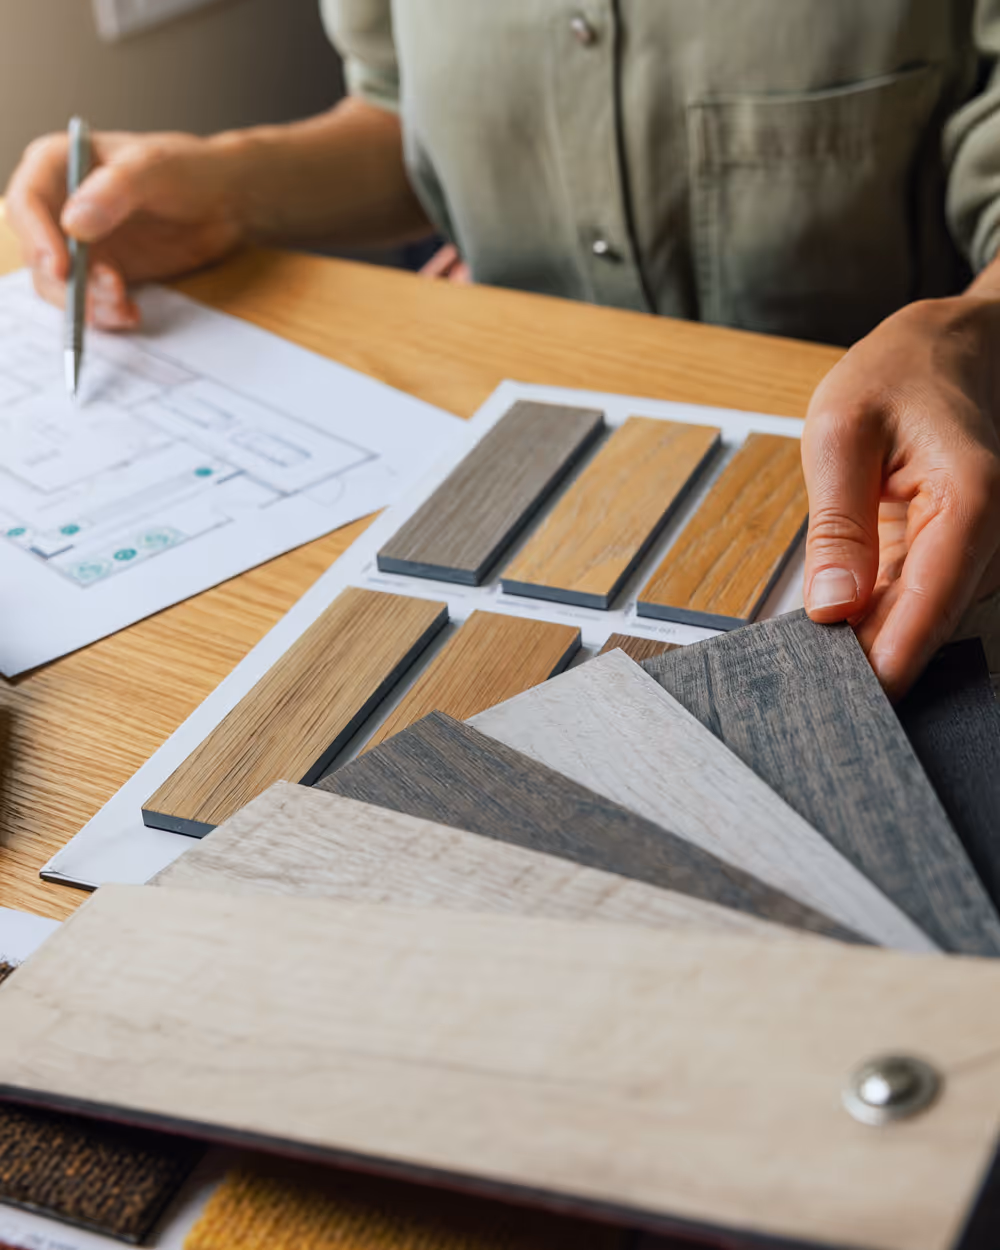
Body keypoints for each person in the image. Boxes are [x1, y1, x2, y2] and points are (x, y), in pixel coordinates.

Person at [6, 2, 1000, 698]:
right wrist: (228, 185)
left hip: (894, 489)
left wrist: (974, 329)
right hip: (502, 434)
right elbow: (408, 119)